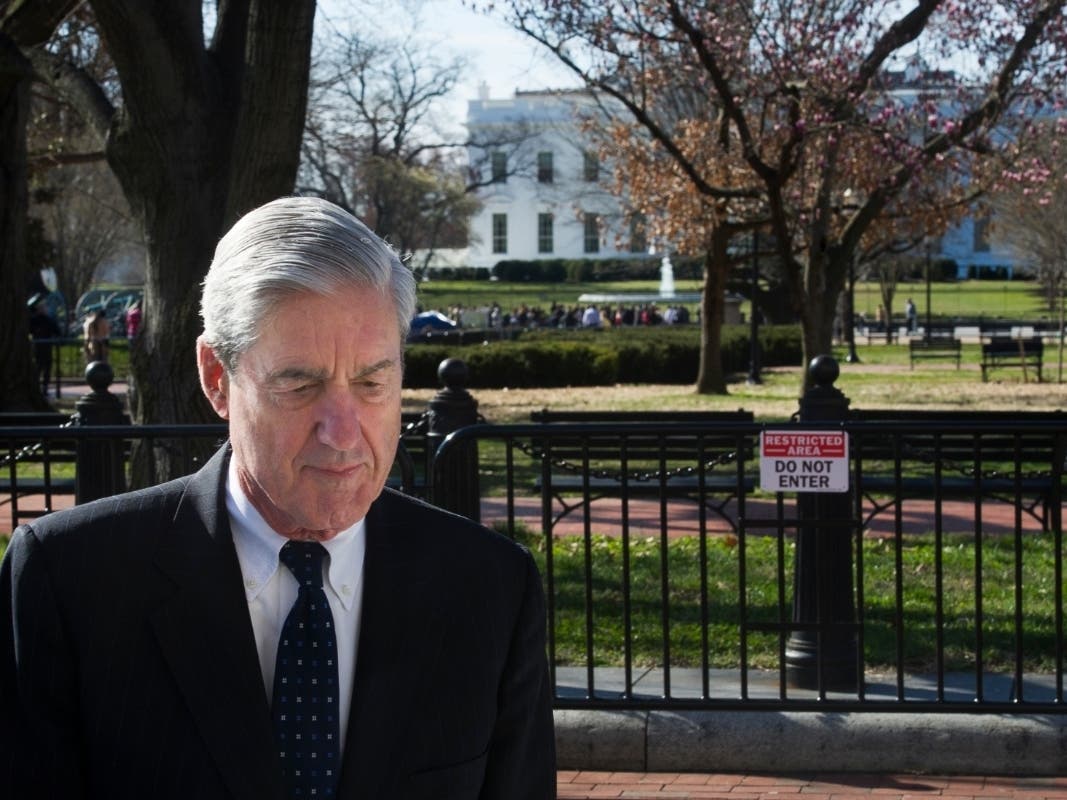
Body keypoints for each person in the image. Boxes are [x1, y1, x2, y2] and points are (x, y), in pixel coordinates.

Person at [0, 196, 556, 799]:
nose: (343, 434)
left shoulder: (490, 587)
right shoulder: (71, 581)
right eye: (299, 384)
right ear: (217, 378)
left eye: (372, 383)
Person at [27, 297, 62, 397]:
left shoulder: (47, 320)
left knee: (46, 368)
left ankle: (44, 388)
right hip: (39, 347)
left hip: (45, 347)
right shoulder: (34, 320)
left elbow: (57, 331)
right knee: (40, 368)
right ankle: (38, 387)